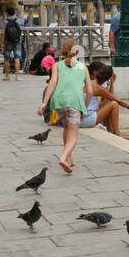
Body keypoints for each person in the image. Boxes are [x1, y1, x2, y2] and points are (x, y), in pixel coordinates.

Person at [38, 40, 91, 174]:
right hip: (74, 104)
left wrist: (44, 103)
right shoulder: (83, 68)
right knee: (73, 137)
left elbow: (53, 82)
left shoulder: (57, 65)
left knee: (66, 127)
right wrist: (84, 107)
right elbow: (90, 91)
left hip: (59, 104)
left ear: (62, 51)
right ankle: (62, 158)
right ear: (77, 52)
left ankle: (69, 158)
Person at [79, 61, 129, 136]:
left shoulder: (87, 82)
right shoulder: (96, 87)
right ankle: (117, 133)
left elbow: (109, 97)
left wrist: (111, 83)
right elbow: (116, 100)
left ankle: (110, 129)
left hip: (79, 118)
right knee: (114, 104)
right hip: (85, 120)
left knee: (108, 102)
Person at [2, 5, 23, 81]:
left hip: (8, 42)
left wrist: (2, 42)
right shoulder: (19, 20)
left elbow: (3, 33)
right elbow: (21, 28)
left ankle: (7, 75)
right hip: (17, 41)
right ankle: (17, 76)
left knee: (6, 59)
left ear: (7, 13)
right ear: (14, 12)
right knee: (17, 58)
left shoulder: (5, 21)